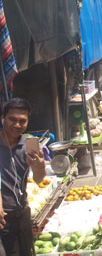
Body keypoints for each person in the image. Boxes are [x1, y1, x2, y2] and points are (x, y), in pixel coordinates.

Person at [0, 98, 46, 255]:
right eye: (12, 119)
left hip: (22, 214)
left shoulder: (28, 146)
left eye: (22, 121)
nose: (17, 125)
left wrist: (39, 167)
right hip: (2, 217)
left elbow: (39, 179)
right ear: (3, 118)